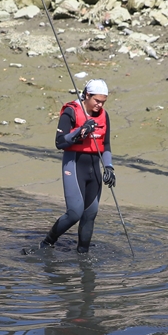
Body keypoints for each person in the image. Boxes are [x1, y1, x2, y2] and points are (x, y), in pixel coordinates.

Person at [40, 79, 114, 254]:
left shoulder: (104, 115)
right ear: (87, 95)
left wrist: (109, 167)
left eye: (103, 102)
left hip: (94, 168)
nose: (100, 105)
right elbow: (59, 142)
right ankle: (47, 243)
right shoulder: (71, 112)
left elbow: (107, 145)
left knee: (90, 214)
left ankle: (83, 255)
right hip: (74, 165)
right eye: (97, 101)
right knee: (74, 213)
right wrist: (80, 131)